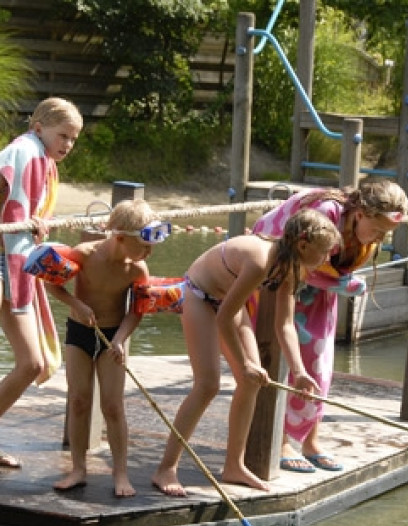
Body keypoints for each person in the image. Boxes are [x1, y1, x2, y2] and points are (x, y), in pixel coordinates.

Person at [152, 208, 342, 495]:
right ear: (303, 245)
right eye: (325, 251)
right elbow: (223, 318)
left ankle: (234, 465)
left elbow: (285, 325)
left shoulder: (290, 268)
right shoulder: (259, 260)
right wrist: (244, 364)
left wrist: (300, 372)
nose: (327, 258)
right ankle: (166, 468)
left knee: (251, 382)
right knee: (208, 385)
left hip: (226, 303)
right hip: (199, 295)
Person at [252, 180, 408, 473]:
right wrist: (341, 283)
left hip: (319, 290)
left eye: (385, 234)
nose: (379, 238)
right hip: (281, 276)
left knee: (320, 364)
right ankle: (281, 440)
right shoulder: (325, 211)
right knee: (284, 358)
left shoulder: (363, 232)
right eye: (378, 230)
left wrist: (339, 281)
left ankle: (310, 440)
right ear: (360, 214)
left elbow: (336, 265)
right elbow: (295, 255)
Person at [47, 200, 171, 497]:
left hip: (113, 335)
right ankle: (78, 469)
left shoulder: (136, 268)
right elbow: (52, 285)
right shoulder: (84, 254)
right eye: (143, 246)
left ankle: (121, 473)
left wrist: (120, 339)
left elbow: (137, 310)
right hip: (79, 332)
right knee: (79, 400)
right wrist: (76, 304)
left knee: (113, 406)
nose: (149, 253)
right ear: (120, 237)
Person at [0, 97, 83, 469]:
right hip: (4, 260)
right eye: (63, 135)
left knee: (31, 363)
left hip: (16, 264)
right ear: (38, 128)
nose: (68, 144)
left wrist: (33, 225)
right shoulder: (23, 152)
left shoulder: (43, 162)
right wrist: (21, 224)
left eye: (74, 138)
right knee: (29, 362)